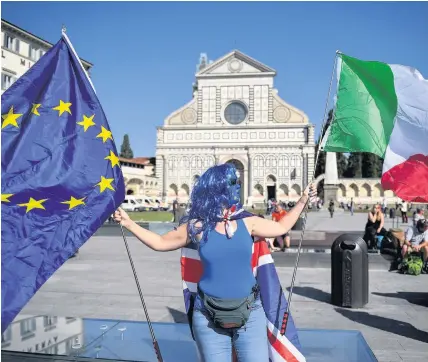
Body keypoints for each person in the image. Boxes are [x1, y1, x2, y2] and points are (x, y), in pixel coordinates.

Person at [113, 163, 316, 362]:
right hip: (208, 314)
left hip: (250, 312)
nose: (237, 186)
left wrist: (302, 200)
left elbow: (281, 227)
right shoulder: (197, 226)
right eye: (233, 182)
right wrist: (129, 223)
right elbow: (160, 242)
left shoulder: (248, 222)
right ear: (216, 188)